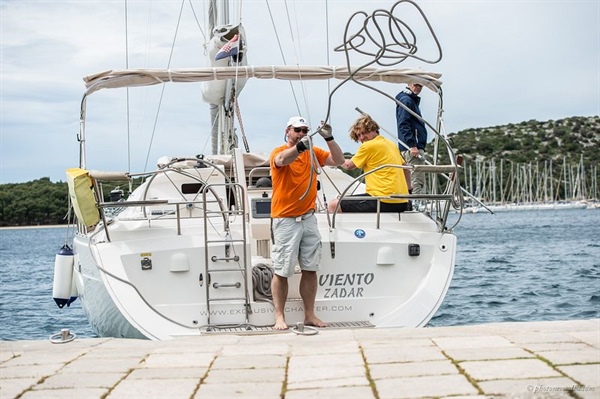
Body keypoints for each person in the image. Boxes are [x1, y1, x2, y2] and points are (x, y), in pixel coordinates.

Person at [269, 116, 344, 330]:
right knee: (282, 270)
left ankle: (310, 315)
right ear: (288, 131)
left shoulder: (313, 153)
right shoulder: (279, 151)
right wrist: (300, 148)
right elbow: (282, 160)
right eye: (297, 130)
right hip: (285, 220)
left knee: (311, 269)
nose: (302, 133)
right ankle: (279, 317)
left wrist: (329, 137)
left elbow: (338, 160)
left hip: (309, 219)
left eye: (305, 130)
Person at [328, 114, 410, 213]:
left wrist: (332, 157)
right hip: (402, 202)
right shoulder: (391, 144)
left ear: (374, 130)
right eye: (358, 135)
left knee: (334, 205)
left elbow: (348, 165)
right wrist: (408, 192)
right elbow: (406, 168)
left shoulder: (368, 146)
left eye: (364, 132)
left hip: (382, 200)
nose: (362, 137)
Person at [395, 83, 428, 197]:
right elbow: (403, 124)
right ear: (409, 84)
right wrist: (412, 145)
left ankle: (413, 206)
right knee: (417, 182)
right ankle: (417, 208)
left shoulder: (409, 100)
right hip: (413, 149)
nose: (418, 88)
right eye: (416, 85)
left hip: (411, 147)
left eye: (421, 86)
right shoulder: (407, 101)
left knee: (413, 180)